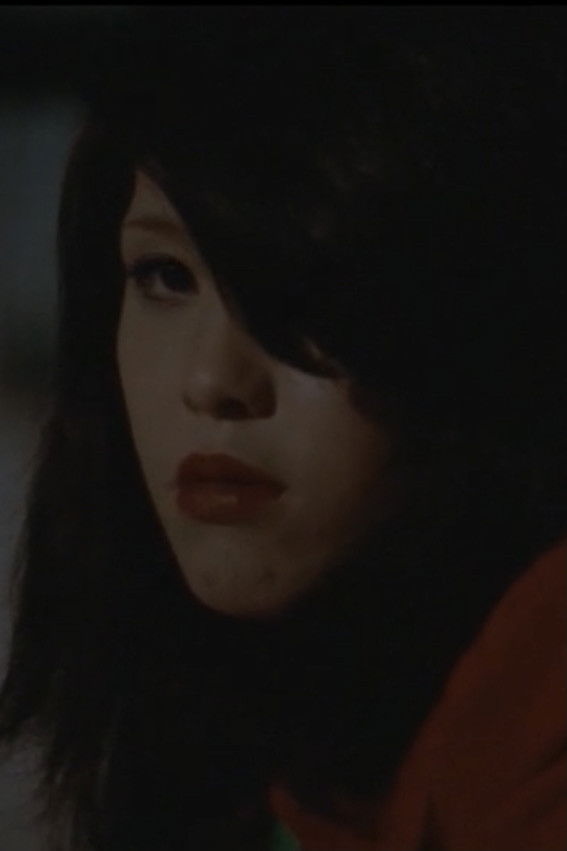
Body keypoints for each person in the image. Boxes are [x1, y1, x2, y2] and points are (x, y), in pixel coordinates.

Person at [0, 8, 565, 850]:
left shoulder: (537, 710)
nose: (212, 380)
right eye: (165, 276)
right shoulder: (240, 715)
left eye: (297, 292)